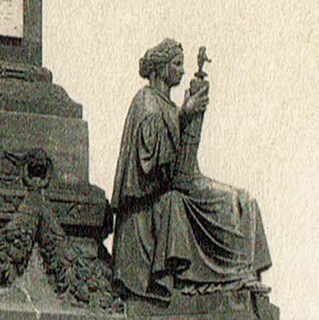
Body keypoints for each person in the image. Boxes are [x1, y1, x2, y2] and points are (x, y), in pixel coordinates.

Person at [109, 38, 271, 302]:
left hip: (176, 186)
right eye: (176, 64)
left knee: (245, 201)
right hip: (149, 204)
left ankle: (244, 274)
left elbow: (180, 162)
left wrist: (189, 118)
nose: (182, 71)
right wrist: (184, 115)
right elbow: (149, 165)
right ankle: (232, 274)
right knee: (228, 202)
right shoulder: (147, 100)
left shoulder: (167, 105)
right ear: (161, 68)